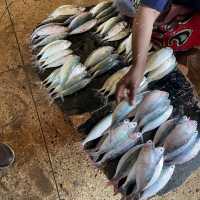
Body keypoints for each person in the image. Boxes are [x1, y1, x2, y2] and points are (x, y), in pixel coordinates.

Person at [115, 0, 200, 104]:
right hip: (150, 10)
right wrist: (138, 66)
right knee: (142, 27)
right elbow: (149, 11)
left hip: (188, 18)